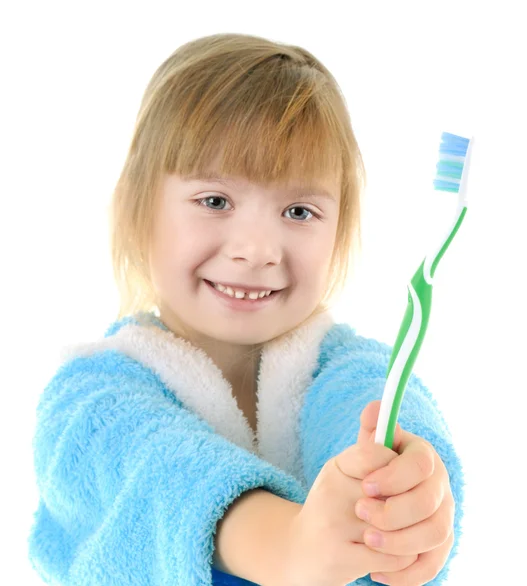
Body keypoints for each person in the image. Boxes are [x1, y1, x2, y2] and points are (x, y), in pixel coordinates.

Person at [27, 33, 465, 586]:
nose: (256, 249)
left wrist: (412, 500)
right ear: (140, 211)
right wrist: (292, 545)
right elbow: (157, 473)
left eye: (299, 210)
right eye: (215, 201)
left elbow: (383, 411)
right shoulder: (91, 402)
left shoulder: (348, 370)